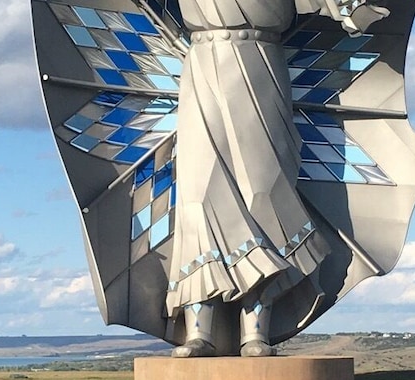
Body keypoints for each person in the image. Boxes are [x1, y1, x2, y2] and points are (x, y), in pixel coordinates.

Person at [166, 0, 387, 357]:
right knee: (198, 194)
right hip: (202, 63)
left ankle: (256, 332)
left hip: (259, 61)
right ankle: (198, 330)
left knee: (263, 191)